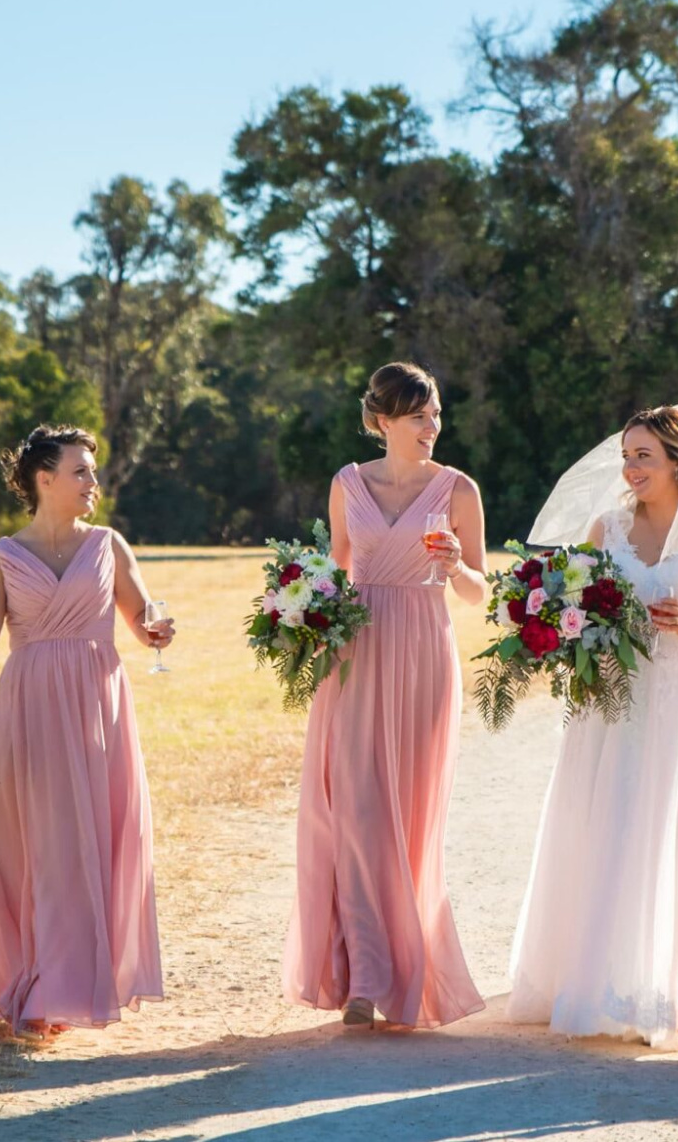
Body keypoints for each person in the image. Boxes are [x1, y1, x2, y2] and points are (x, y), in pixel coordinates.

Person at [507, 405, 678, 1047]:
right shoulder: (608, 525)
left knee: (676, 827)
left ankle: (667, 986)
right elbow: (574, 603)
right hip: (611, 703)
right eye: (626, 455)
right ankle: (593, 979)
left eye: (643, 455)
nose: (630, 468)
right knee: (610, 822)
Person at [0, 424, 175, 1038]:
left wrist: (157, 629)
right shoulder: (4, 557)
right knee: (38, 844)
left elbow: (142, 615)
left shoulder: (109, 546)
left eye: (92, 471)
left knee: (87, 840)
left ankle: (68, 985)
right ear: (45, 479)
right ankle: (39, 985)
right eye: (81, 471)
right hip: (31, 709)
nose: (93, 482)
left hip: (97, 709)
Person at [282, 363, 488, 1029]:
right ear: (383, 421)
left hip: (425, 653)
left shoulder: (459, 489)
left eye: (435, 415)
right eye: (419, 415)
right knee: (358, 810)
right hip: (357, 653)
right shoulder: (348, 483)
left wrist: (456, 561)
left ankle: (409, 967)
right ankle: (365, 977)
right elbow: (338, 568)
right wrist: (302, 616)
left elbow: (480, 592)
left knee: (412, 818)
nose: (432, 427)